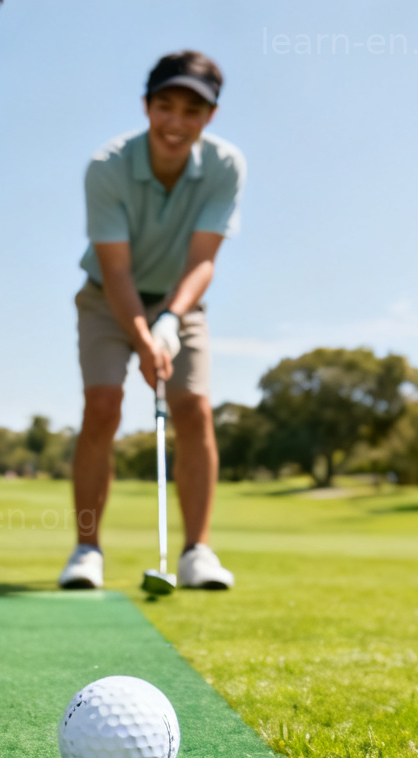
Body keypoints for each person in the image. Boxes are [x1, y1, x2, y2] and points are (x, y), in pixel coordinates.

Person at [58, 50, 245, 592]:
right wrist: (144, 336)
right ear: (146, 107)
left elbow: (204, 261)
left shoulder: (225, 165)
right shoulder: (108, 166)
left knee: (194, 410)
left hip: (181, 299)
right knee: (103, 406)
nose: (176, 122)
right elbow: (115, 273)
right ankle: (86, 549)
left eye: (192, 110)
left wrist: (169, 320)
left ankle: (197, 553)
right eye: (165, 106)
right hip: (105, 299)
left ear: (209, 117)